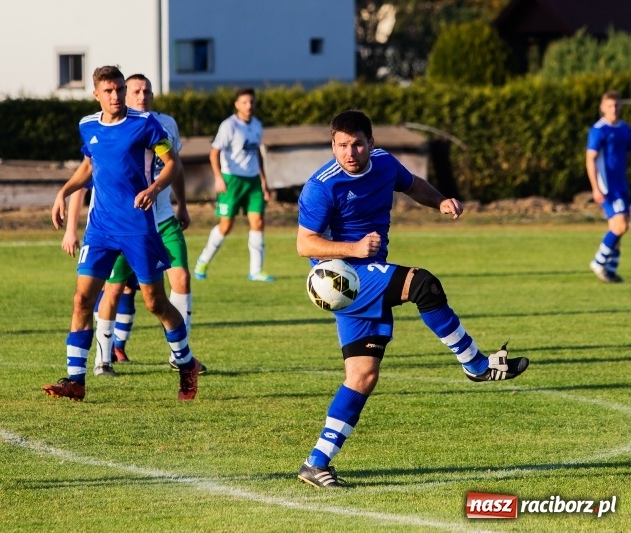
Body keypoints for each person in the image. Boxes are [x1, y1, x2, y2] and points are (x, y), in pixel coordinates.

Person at [295, 110, 530, 488]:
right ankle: (475, 364)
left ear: (371, 143)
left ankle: (316, 462)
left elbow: (412, 184)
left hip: (366, 272)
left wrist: (439, 201)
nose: (350, 152)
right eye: (341, 145)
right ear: (332, 145)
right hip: (342, 278)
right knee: (424, 285)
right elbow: (304, 243)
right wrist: (354, 248)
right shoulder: (322, 186)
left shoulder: (385, 163)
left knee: (362, 376)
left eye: (357, 144)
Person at [43, 65, 201, 402]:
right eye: (109, 91)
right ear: (96, 94)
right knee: (82, 299)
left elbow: (172, 163)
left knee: (154, 301)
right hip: (100, 229)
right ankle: (76, 380)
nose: (116, 96)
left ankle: (186, 364)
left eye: (119, 89)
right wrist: (64, 191)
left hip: (137, 228)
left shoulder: (144, 125)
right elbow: (89, 166)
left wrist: (156, 188)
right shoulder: (87, 125)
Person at [194, 87, 274, 282]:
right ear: (237, 105)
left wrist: (264, 182)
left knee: (258, 222)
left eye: (252, 102)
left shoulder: (257, 125)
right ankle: (203, 261)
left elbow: (257, 155)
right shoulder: (229, 126)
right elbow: (214, 152)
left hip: (253, 181)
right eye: (245, 102)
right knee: (226, 225)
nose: (249, 106)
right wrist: (218, 177)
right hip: (232, 180)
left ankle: (256, 271)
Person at [585, 89, 631, 283]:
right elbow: (590, 159)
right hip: (607, 186)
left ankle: (610, 270)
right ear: (602, 108)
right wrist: (596, 188)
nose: (614, 109)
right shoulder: (599, 130)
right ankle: (599, 261)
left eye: (616, 105)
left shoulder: (624, 129)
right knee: (620, 226)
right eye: (610, 106)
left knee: (617, 226)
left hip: (621, 184)